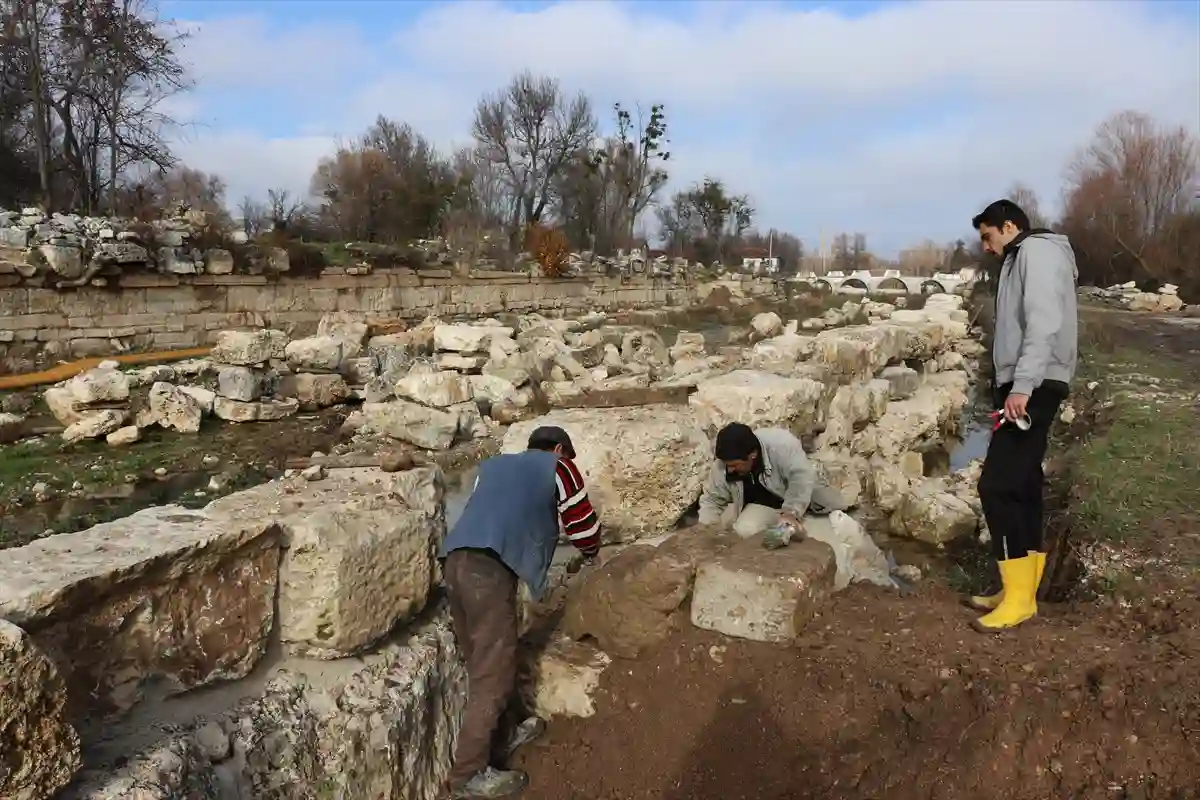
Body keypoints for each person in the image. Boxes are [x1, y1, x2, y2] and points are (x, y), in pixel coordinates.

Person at [439, 425, 601, 799]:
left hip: (455, 561)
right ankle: (468, 776)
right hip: (489, 570)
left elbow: (483, 514)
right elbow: (581, 521)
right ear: (559, 448)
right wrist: (593, 553)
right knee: (491, 674)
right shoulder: (559, 467)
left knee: (484, 659)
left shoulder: (493, 467)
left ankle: (507, 731)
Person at [968, 199, 1077, 632]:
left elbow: (1044, 322)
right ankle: (1020, 590)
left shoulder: (1037, 253)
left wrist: (1023, 385)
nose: (986, 247)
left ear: (1009, 226)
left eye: (988, 237)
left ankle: (1018, 600)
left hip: (1033, 385)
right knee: (1026, 483)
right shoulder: (1021, 256)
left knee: (997, 486)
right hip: (1028, 383)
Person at [697, 422, 846, 540]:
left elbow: (801, 479)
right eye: (727, 465)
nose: (729, 470)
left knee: (825, 541)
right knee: (744, 531)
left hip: (805, 502)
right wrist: (706, 531)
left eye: (735, 465)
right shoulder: (724, 464)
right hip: (767, 507)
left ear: (753, 455)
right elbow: (711, 501)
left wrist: (790, 513)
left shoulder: (781, 445)